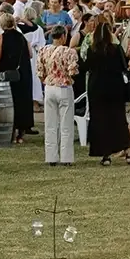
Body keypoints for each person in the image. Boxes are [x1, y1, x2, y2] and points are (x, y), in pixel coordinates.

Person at [84, 18, 130, 164]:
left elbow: (87, 67)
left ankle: (105, 155)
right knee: (119, 120)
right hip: (115, 89)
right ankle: (128, 152)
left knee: (101, 122)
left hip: (97, 89)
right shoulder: (116, 49)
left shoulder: (92, 50)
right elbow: (124, 66)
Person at [38, 25, 79, 167]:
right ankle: (66, 157)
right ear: (63, 36)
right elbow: (73, 71)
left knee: (50, 124)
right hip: (64, 87)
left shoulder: (43, 50)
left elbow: (40, 72)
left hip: (49, 87)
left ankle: (51, 157)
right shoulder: (69, 52)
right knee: (66, 124)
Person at [0, 12, 34, 145]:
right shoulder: (22, 37)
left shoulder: (1, 38)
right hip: (23, 73)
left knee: (9, 102)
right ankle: (21, 133)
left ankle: (11, 132)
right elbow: (30, 54)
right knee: (22, 101)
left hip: (8, 74)